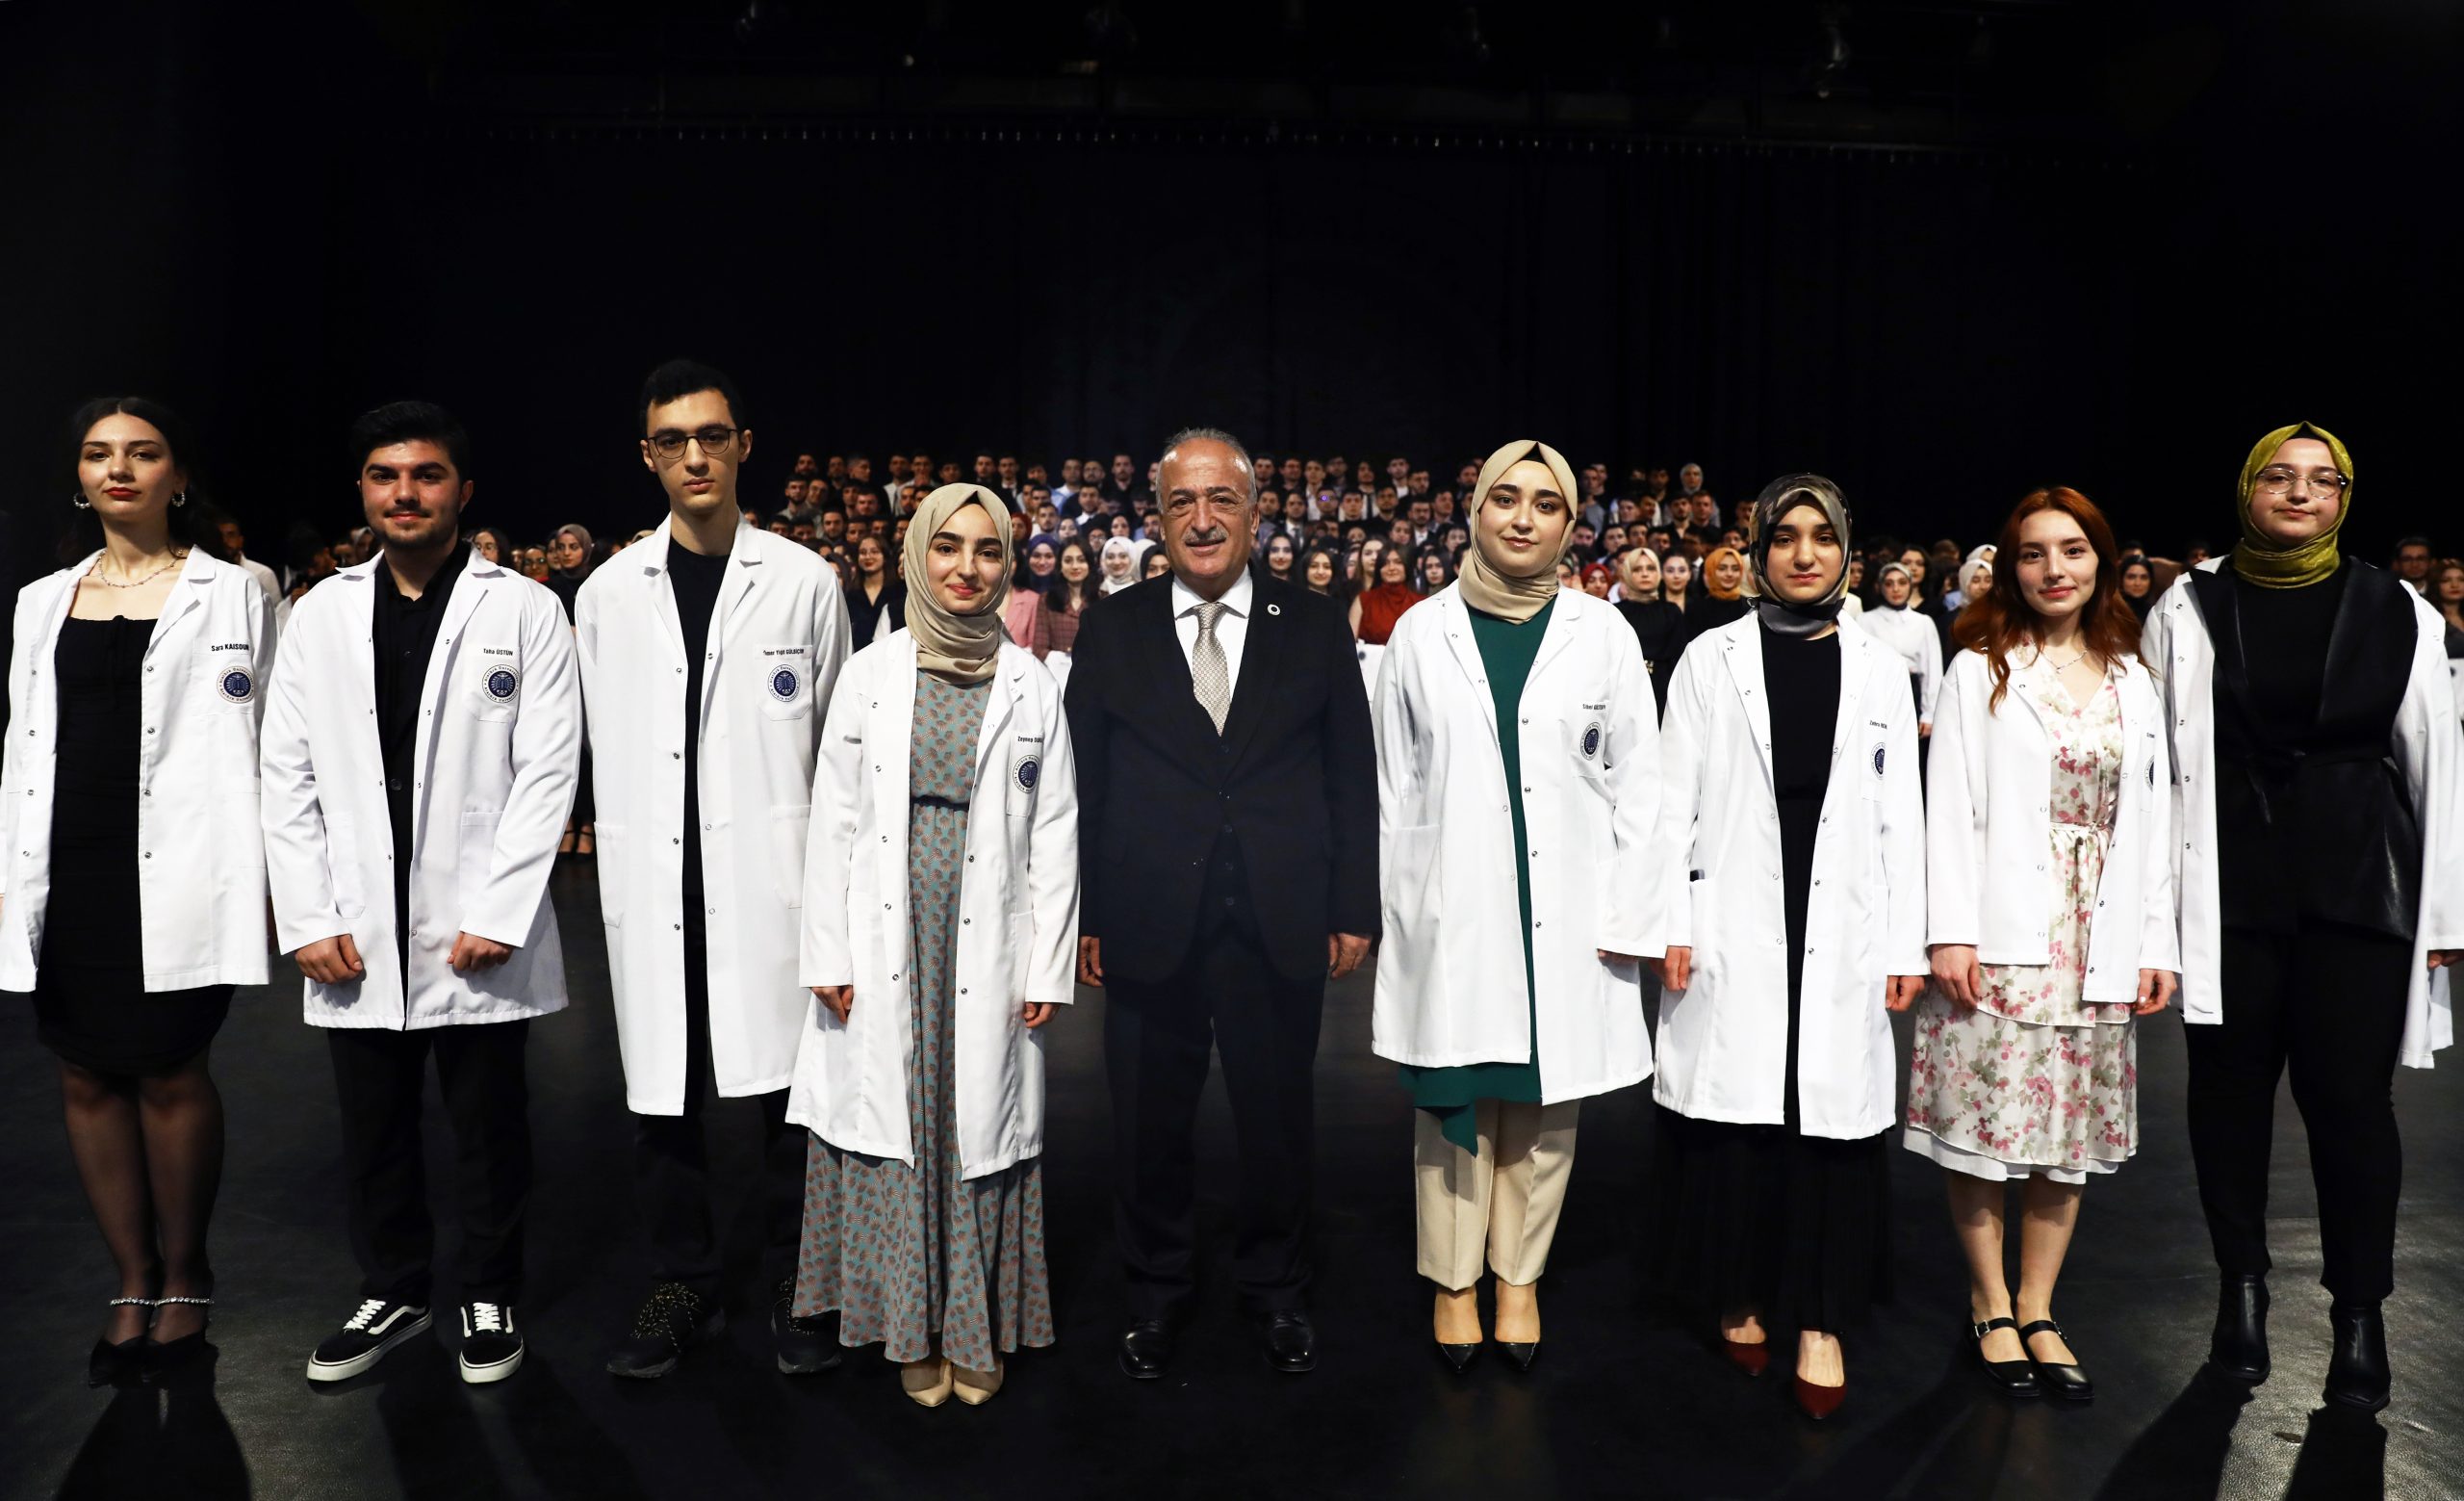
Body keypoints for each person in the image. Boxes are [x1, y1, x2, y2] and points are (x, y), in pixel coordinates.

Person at [2142, 422, 2464, 1414]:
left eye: (2321, 480)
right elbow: (2154, 764)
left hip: (2357, 889)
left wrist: (2444, 911)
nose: (2298, 492)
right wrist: (2149, 917)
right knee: (2228, 1098)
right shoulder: (2186, 605)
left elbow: (2435, 760)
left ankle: (2359, 1315)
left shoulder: (2397, 607)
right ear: (2247, 490)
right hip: (2228, 890)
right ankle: (2240, 1288)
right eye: (2278, 476)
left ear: (2344, 498)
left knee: (2351, 1106)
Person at [261, 401, 582, 1386]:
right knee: (374, 1125)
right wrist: (308, 914)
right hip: (354, 919)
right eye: (384, 474)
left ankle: (489, 1289)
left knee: (489, 1123)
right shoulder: (319, 613)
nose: (405, 492)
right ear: (362, 490)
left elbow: (549, 767)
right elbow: (285, 771)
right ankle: (395, 1287)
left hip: (477, 920)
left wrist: (501, 908)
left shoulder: (524, 608)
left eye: (427, 474)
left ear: (463, 491)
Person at [1065, 427, 1377, 1381]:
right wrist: (1086, 913)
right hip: (1145, 917)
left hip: (1278, 916)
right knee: (1146, 1126)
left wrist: (1353, 903)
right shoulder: (1112, 628)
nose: (1201, 519)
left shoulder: (1314, 624)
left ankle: (1275, 1288)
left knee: (1276, 1122)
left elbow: (1350, 774)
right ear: (1159, 519)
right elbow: (1084, 783)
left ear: (1253, 510)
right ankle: (1156, 1292)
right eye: (1181, 503)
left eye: (1220, 499)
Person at [576, 361, 853, 1380]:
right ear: (648, 455)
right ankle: (681, 1278)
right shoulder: (607, 594)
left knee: (790, 1099)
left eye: (712, 436)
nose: (695, 455)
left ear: (743, 445)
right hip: (659, 885)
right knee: (664, 1097)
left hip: (773, 883)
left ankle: (797, 1280)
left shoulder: (805, 581)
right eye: (673, 440)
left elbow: (838, 754)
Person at [1370, 439, 1659, 1375]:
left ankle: (1519, 1275)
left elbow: (1640, 787)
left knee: (1542, 1102)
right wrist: (1402, 909)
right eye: (1505, 498)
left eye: (1544, 503)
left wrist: (1632, 916)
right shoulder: (1421, 632)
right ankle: (1454, 1281)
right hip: (1452, 901)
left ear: (1570, 525)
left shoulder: (1604, 634)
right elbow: (1395, 788)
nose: (1522, 517)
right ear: (1475, 511)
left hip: (1567, 904)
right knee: (1454, 1098)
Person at [785, 483, 1078, 1408]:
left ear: (1008, 565)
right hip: (885, 930)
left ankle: (975, 1326)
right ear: (917, 554)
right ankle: (910, 1325)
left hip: (991, 935)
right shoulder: (870, 672)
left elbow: (1055, 830)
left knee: (976, 1123)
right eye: (947, 547)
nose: (966, 568)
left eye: (987, 550)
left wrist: (1048, 963)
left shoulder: (1032, 682)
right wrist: (827, 952)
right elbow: (833, 819)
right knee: (899, 1115)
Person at [2, 398, 273, 1385]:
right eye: (98, 454)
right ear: (80, 478)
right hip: (70, 857)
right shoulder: (42, 599)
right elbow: (25, 743)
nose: (118, 469)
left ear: (179, 476)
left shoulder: (239, 591)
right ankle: (131, 1277)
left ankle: (187, 1272)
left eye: (143, 452)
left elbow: (274, 741)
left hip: (185, 860)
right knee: (84, 1072)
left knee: (169, 1067)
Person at [1647, 474, 1928, 1421]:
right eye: (1784, 536)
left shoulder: (1880, 665)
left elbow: (1901, 816)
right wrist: (1672, 920)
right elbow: (1671, 801)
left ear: (1846, 550)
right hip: (1732, 913)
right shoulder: (1708, 657)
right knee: (1740, 1116)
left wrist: (1904, 941)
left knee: (1825, 1118)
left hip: (1842, 916)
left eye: (1822, 536)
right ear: (1759, 550)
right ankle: (1737, 1290)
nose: (1803, 553)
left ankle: (1820, 1316)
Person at [1906, 487, 2179, 1404]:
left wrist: (2155, 939)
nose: (2054, 569)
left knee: (2069, 1133)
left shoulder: (2134, 676)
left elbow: (2154, 817)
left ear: (2102, 560)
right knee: (1982, 1126)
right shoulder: (1979, 667)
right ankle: (1990, 1303)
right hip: (2000, 926)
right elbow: (1949, 805)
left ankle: (2038, 1304)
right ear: (2010, 567)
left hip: (2098, 931)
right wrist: (1951, 931)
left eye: (2073, 550)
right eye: (2034, 553)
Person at [1862, 562, 1944, 738]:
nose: (1896, 589)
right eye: (1889, 583)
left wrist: (1929, 713)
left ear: (1910, 585)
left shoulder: (1923, 622)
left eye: (1902, 582)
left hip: (1912, 691)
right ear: (1880, 587)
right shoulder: (1865, 620)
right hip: (1877, 692)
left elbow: (1932, 670)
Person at [1613, 544, 1686, 713]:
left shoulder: (1671, 612)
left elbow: (1678, 657)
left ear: (1659, 573)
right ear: (1626, 573)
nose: (1645, 574)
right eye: (1637, 569)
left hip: (1664, 690)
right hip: (1624, 688)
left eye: (1651, 568)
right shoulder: (1615, 612)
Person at [845, 533, 905, 646]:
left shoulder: (898, 590)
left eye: (874, 551)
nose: (868, 556)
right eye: (863, 552)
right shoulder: (851, 594)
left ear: (884, 556)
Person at [1687, 545, 1750, 639]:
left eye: (1735, 569)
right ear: (1710, 571)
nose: (1729, 574)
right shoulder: (1696, 609)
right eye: (1722, 568)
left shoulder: (1750, 607)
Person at [2117, 555, 2156, 622]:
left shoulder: (2155, 612)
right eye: (2131, 577)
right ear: (2121, 580)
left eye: (2144, 578)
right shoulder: (2111, 611)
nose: (2137, 583)